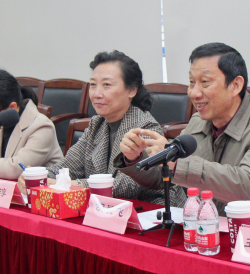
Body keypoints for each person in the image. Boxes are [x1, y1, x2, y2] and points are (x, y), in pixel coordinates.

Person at [117, 43, 250, 226]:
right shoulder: (198, 121)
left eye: (205, 82)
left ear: (235, 85)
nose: (194, 93)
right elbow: (164, 177)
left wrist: (176, 162)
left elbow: (246, 188)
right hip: (209, 230)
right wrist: (135, 158)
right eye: (191, 82)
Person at [18, 51, 185, 206]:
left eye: (106, 85)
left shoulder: (145, 128)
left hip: (151, 212)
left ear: (132, 90)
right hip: (106, 210)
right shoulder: (96, 124)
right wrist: (39, 177)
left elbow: (125, 187)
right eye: (93, 85)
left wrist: (65, 185)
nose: (96, 94)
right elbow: (68, 167)